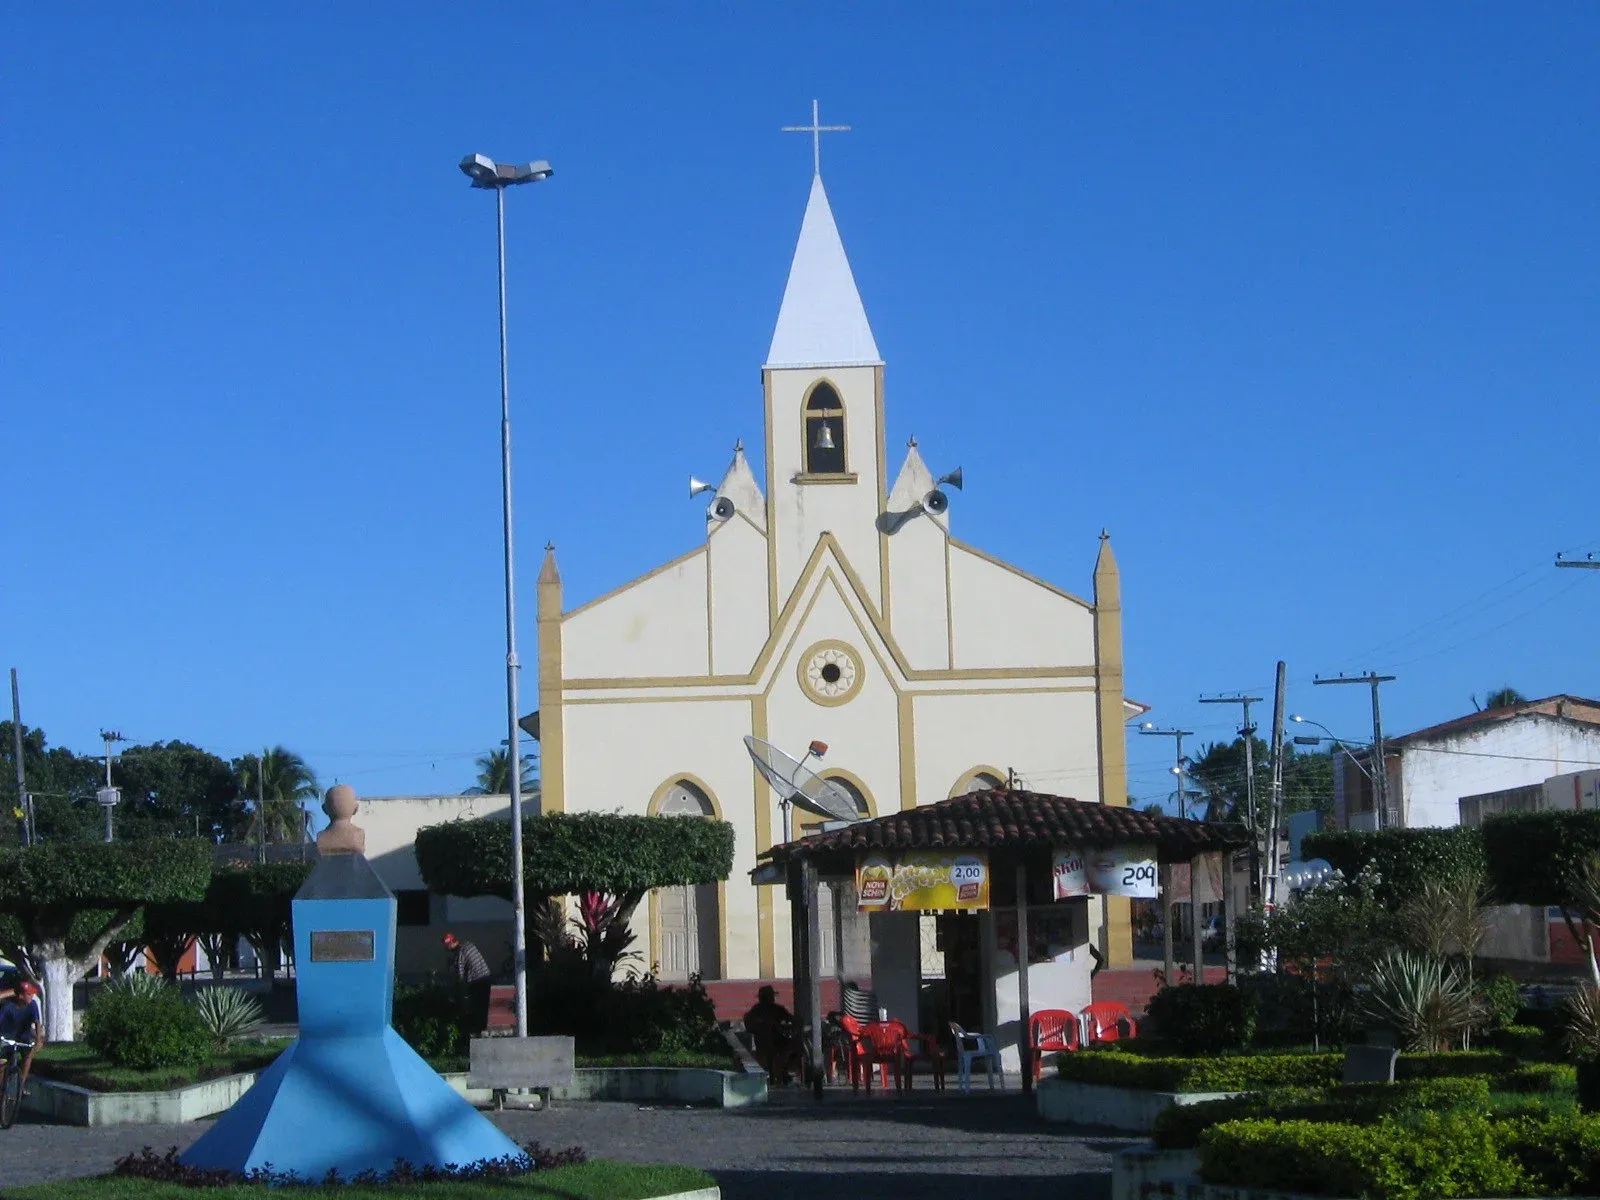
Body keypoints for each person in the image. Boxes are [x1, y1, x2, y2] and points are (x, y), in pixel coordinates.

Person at [743, 985, 803, 1085]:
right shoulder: (756, 1011)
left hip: (780, 1041)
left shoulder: (778, 1009)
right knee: (774, 1052)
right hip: (764, 1044)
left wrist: (795, 1023)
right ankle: (779, 1073)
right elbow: (749, 1025)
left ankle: (784, 1071)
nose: (771, 998)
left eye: (770, 996)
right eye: (768, 996)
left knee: (798, 1047)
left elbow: (790, 1020)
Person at [442, 932, 492, 1036]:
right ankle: (483, 1027)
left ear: (450, 945)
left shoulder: (459, 954)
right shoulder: (469, 944)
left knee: (476, 1006)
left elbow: (460, 977)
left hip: (476, 981)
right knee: (484, 1004)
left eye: (447, 946)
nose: (446, 949)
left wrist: (455, 989)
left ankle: (478, 1029)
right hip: (486, 976)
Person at [0, 980, 43, 1098]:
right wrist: (12, 992)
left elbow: (37, 1023)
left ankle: (21, 1085)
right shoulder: (8, 1007)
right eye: (28, 994)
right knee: (2, 1063)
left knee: (28, 1055)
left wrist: (38, 1040)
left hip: (23, 1036)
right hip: (7, 1036)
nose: (32, 996)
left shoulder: (32, 1005)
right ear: (20, 996)